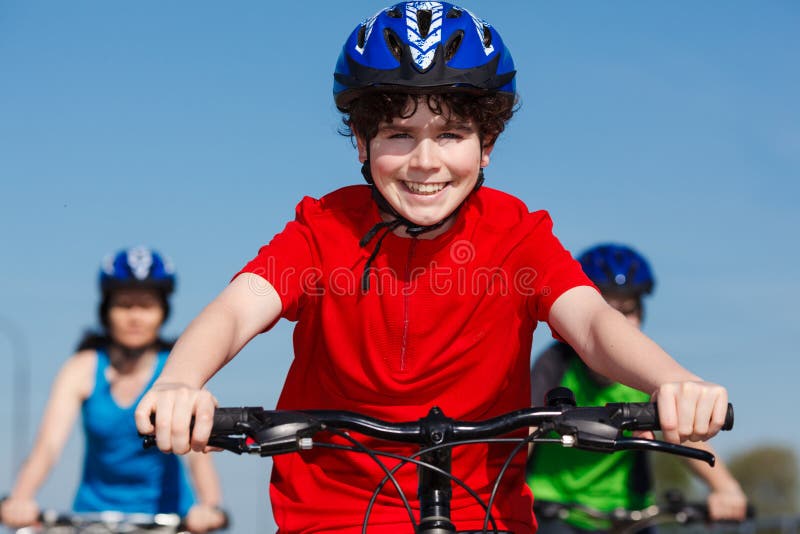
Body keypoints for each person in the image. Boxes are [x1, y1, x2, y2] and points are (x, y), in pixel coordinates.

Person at [135, 3, 732, 533]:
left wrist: (671, 381)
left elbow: (593, 324)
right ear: (362, 144)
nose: (426, 161)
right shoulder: (322, 229)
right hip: (334, 515)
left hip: (485, 509)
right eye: (399, 133)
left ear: (487, 144)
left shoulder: (517, 235)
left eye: (451, 134)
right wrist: (179, 382)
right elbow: (239, 308)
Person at [1, 247, 227, 533]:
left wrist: (210, 505)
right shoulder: (81, 369)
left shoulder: (176, 372)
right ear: (106, 311)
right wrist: (21, 498)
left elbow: (197, 452)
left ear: (162, 312)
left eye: (146, 306)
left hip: (168, 519)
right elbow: (47, 447)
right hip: (93, 518)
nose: (135, 317)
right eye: (123, 305)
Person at [528, 243, 748, 533]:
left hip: (631, 514)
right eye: (607, 310)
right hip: (556, 511)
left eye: (629, 310)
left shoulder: (642, 372)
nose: (618, 322)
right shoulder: (555, 364)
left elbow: (680, 427)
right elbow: (526, 431)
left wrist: (726, 487)